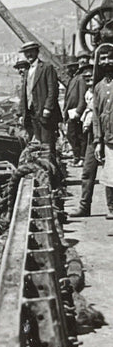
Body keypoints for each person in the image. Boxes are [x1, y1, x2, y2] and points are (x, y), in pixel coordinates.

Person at [19, 41, 62, 157]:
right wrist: (22, 113)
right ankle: (41, 168)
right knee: (37, 143)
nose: (29, 55)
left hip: (44, 112)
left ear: (37, 52)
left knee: (47, 143)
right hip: (32, 113)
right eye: (26, 53)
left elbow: (53, 90)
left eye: (31, 52)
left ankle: (50, 169)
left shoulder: (47, 67)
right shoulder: (27, 71)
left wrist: (48, 108)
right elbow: (24, 93)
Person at [70, 64, 97, 217]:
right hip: (92, 137)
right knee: (87, 171)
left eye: (91, 74)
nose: (87, 76)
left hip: (106, 137)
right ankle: (84, 207)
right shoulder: (89, 93)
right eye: (85, 75)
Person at [92, 44, 113, 219]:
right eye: (103, 58)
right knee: (110, 176)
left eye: (110, 57)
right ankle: (111, 208)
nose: (107, 62)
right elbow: (96, 116)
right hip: (108, 139)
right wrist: (98, 141)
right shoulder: (99, 87)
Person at [63, 61, 86, 166]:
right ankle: (77, 157)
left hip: (76, 112)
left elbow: (82, 96)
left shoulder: (80, 78)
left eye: (69, 68)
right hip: (71, 112)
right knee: (72, 135)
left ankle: (81, 157)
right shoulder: (72, 79)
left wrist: (79, 111)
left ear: (74, 67)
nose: (67, 70)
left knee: (78, 135)